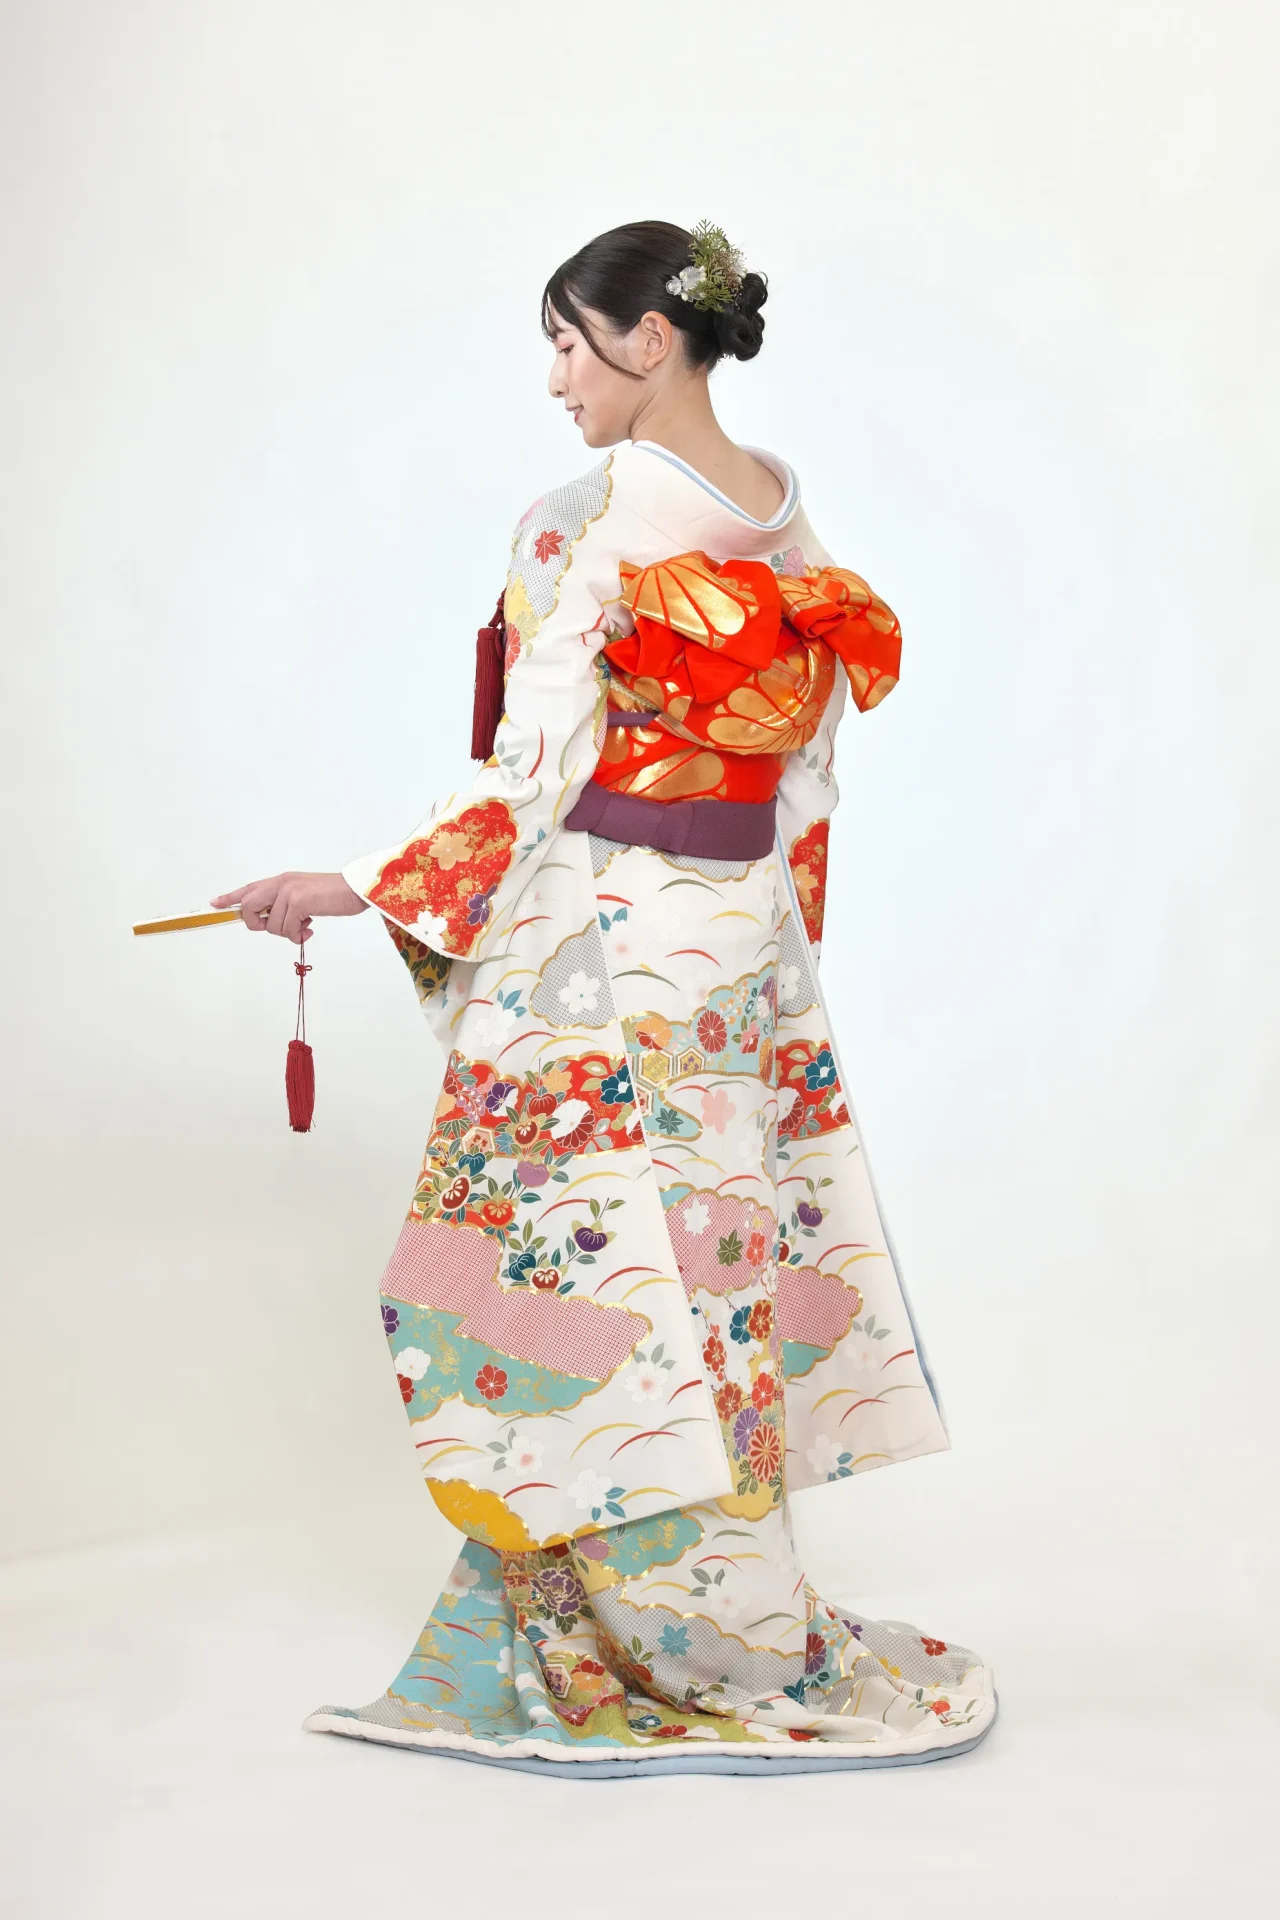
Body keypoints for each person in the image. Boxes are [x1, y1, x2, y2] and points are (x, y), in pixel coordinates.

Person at [211, 219, 997, 1776]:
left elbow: (531, 776)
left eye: (569, 342)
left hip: (623, 940)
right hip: (736, 942)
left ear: (650, 339)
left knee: (609, 1278)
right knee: (717, 1266)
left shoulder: (583, 521)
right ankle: (735, 1614)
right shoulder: (778, 503)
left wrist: (354, 885)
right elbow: (806, 769)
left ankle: (653, 1637)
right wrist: (774, 936)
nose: (555, 377)